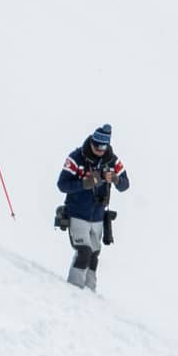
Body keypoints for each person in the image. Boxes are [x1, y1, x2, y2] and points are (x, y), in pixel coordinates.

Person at [57, 124, 130, 291]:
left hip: (98, 216)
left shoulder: (113, 161)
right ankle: (73, 290)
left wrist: (116, 180)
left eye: (103, 147)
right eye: (96, 145)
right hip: (77, 213)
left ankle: (90, 292)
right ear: (91, 142)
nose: (99, 150)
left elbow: (125, 185)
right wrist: (84, 184)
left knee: (94, 255)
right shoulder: (76, 157)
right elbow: (62, 185)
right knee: (84, 251)